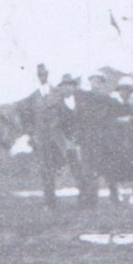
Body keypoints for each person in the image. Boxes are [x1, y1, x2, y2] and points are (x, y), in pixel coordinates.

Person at [17, 63, 63, 208]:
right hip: (41, 138)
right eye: (39, 74)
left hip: (57, 137)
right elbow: (25, 115)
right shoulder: (33, 97)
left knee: (61, 166)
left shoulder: (57, 93)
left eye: (44, 74)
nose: (42, 76)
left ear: (48, 74)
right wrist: (31, 133)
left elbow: (63, 113)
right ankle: (50, 200)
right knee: (46, 168)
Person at [54, 74, 98, 208]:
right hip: (70, 143)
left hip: (86, 141)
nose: (67, 88)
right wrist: (65, 141)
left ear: (73, 87)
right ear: (61, 88)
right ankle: (83, 199)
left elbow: (91, 119)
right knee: (77, 172)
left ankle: (92, 200)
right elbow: (57, 126)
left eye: (69, 85)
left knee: (89, 171)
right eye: (64, 86)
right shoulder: (58, 105)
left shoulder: (83, 101)